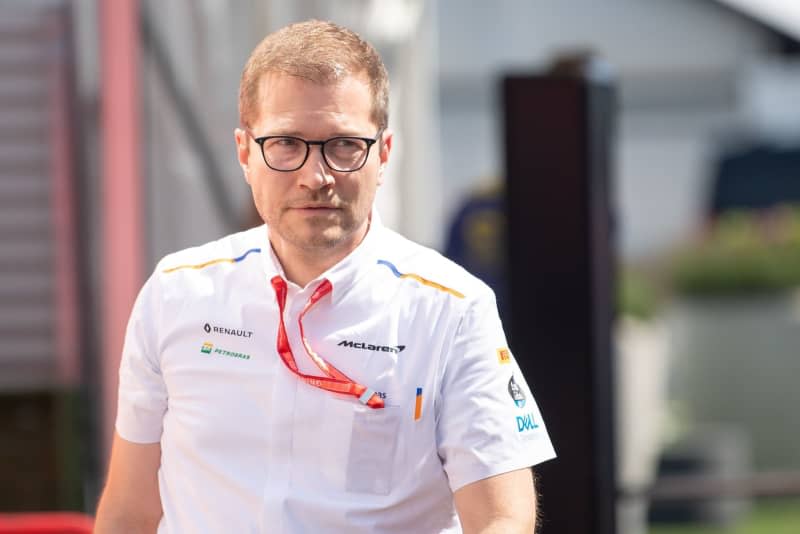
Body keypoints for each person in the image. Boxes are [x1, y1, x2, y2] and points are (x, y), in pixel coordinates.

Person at [94, 19, 555, 534]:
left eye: (342, 146)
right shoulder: (176, 293)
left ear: (382, 154)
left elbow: (501, 517)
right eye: (286, 144)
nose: (316, 176)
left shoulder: (452, 309)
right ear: (245, 153)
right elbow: (129, 511)